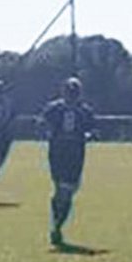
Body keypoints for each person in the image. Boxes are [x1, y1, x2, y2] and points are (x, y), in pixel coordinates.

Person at [41, 77, 98, 248]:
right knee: (66, 190)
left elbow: (92, 129)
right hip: (66, 154)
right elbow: (44, 124)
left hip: (65, 153)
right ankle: (56, 227)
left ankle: (56, 223)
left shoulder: (60, 108)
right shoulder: (76, 110)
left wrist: (89, 135)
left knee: (63, 190)